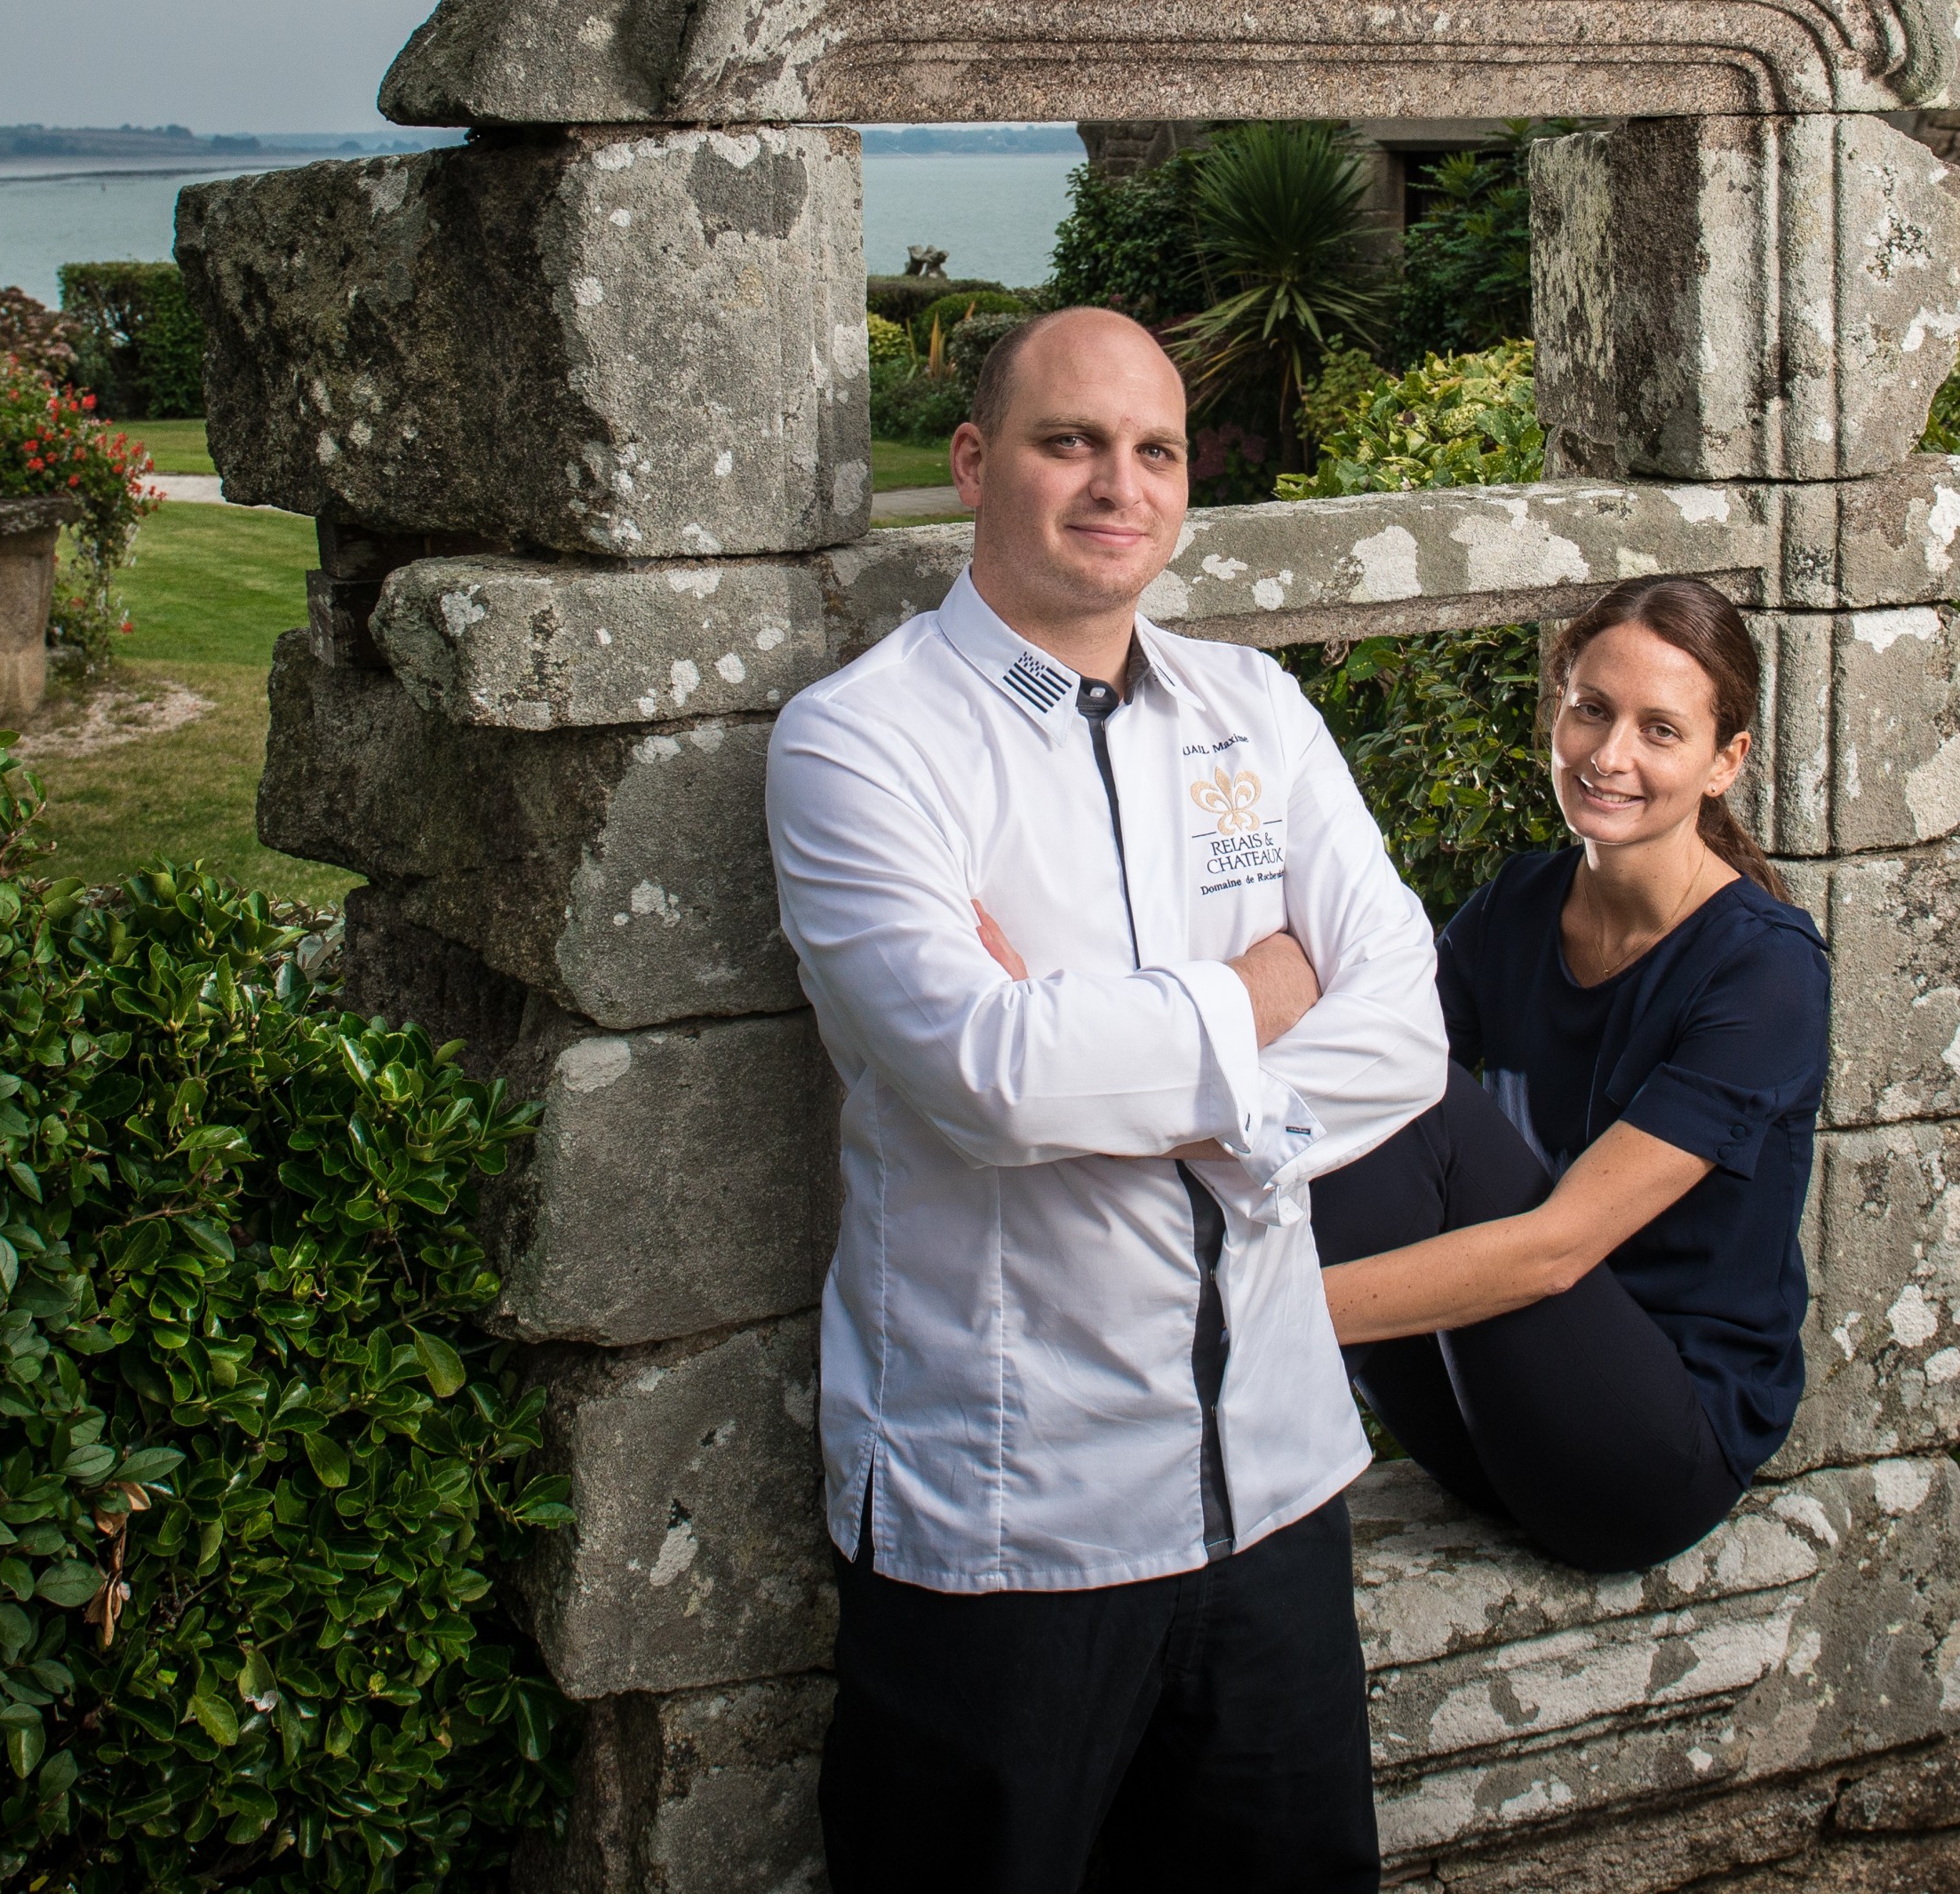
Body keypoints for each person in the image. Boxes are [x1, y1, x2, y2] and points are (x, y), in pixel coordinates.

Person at [767, 306, 1447, 1894]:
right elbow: (994, 1076)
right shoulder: (860, 743)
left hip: (1275, 1493)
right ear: (972, 461)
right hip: (1010, 1517)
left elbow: (1407, 1022)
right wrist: (1263, 995)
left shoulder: (1254, 709)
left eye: (1155, 450)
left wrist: (1154, 1081)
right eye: (1068, 440)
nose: (1117, 484)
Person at [1307, 576, 1829, 1576]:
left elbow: (1556, 1252)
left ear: (1725, 762)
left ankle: (1191, 1395)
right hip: (1490, 1421)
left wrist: (1253, 1313)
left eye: (1660, 730)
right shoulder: (1519, 903)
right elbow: (1342, 1080)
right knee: (1361, 1075)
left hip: (1646, 1458)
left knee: (1418, 1103)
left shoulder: (1765, 969)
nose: (1609, 755)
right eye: (1591, 710)